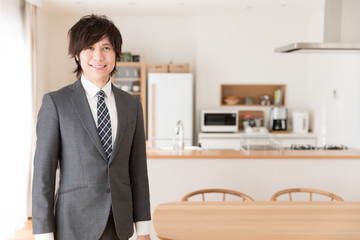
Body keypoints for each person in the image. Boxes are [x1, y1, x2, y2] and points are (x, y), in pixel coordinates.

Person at [32, 14, 151, 240]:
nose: (98, 56)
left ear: (116, 54)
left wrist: (144, 229)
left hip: (119, 225)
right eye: (89, 47)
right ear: (77, 54)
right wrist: (43, 235)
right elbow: (43, 177)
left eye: (106, 47)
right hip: (72, 226)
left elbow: (138, 172)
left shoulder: (132, 104)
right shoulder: (56, 103)